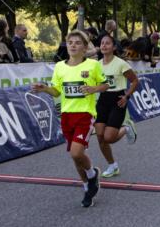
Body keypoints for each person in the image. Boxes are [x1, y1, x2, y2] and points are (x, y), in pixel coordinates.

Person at [32, 30, 109, 208]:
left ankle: (92, 175)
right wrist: (44, 88)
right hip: (67, 115)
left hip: (85, 114)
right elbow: (57, 91)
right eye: (70, 42)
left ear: (84, 47)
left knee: (76, 152)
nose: (73, 45)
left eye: (77, 43)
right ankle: (87, 188)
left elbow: (105, 85)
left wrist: (93, 89)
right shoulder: (59, 66)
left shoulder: (93, 65)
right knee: (76, 158)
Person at [95, 34, 140, 177]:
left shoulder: (121, 63)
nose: (104, 45)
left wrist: (127, 96)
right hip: (102, 100)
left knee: (109, 138)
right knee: (100, 137)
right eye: (102, 43)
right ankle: (112, 166)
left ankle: (126, 128)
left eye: (107, 43)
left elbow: (134, 81)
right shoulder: (97, 65)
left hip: (118, 99)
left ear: (114, 47)